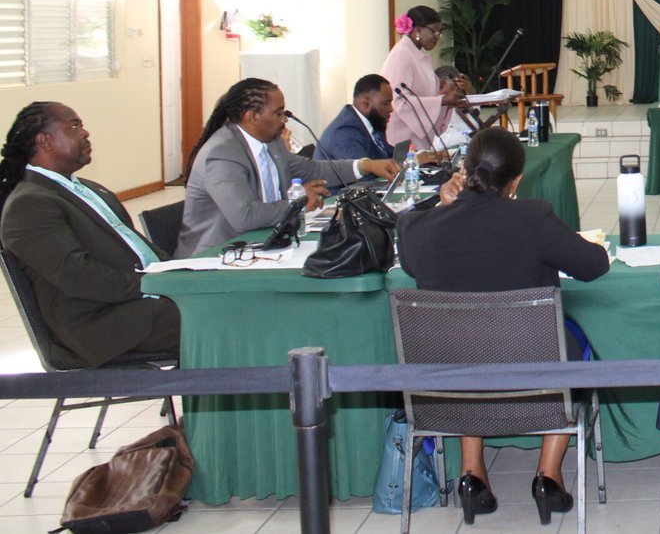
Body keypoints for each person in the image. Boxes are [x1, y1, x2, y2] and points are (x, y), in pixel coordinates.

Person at [398, 126, 609, 524]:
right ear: (516, 181)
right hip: (532, 369)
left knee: (466, 346)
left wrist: (442, 205)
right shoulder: (533, 218)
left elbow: (409, 252)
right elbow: (594, 265)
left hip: (448, 376)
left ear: (463, 171)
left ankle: (471, 474)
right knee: (570, 343)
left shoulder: (418, 228)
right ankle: (548, 476)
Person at [0, 103, 181, 368]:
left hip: (136, 303)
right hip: (99, 325)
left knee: (226, 297)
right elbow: (77, 277)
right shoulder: (30, 204)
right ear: (44, 141)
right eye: (73, 126)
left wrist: (181, 275)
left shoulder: (90, 189)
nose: (85, 133)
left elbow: (137, 247)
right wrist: (154, 284)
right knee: (219, 315)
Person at [176, 79, 399, 257]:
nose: (284, 120)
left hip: (263, 244)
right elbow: (245, 216)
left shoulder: (270, 142)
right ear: (251, 116)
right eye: (278, 113)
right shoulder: (222, 153)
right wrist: (298, 204)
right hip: (217, 256)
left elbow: (311, 169)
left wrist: (365, 165)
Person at [382, 4, 464, 156]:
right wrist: (442, 101)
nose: (437, 37)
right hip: (401, 137)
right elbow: (398, 100)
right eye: (434, 31)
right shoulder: (401, 55)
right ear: (418, 30)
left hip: (416, 135)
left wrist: (445, 94)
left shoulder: (416, 55)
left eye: (439, 32)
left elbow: (424, 94)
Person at [316, 73, 393, 168]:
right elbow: (365, 173)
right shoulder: (344, 133)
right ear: (366, 103)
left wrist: (408, 156)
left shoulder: (374, 121)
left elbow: (386, 154)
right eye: (386, 104)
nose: (391, 109)